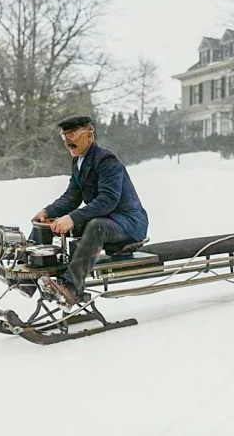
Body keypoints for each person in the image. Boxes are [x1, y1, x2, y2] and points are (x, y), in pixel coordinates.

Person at [31, 114, 149, 307]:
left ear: (89, 135)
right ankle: (29, 278)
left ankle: (71, 288)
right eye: (64, 137)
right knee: (47, 224)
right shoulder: (79, 161)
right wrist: (46, 212)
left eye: (73, 135)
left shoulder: (106, 160)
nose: (68, 142)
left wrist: (72, 218)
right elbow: (71, 197)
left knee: (96, 226)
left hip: (128, 224)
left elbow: (108, 200)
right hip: (107, 219)